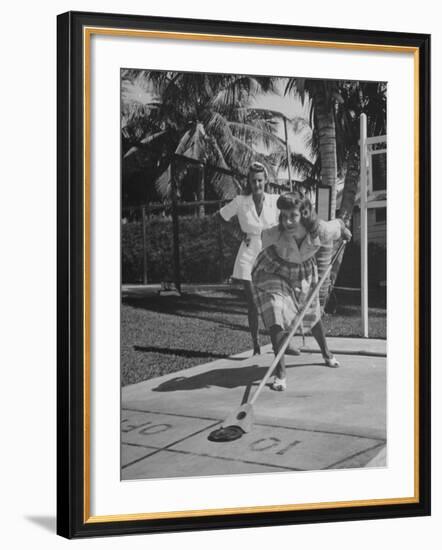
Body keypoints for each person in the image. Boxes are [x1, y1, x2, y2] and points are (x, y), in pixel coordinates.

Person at [252, 193, 352, 391]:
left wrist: (345, 230)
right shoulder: (274, 233)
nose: (287, 221)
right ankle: (280, 372)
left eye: (293, 216)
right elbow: (259, 240)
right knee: (275, 309)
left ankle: (326, 353)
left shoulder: (320, 230)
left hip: (303, 274)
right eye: (283, 215)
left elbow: (338, 225)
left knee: (311, 314)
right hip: (275, 271)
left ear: (304, 214)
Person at [217, 162, 280, 355]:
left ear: (266, 181)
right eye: (253, 181)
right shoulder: (240, 201)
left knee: (272, 301)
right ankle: (255, 344)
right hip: (248, 252)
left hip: (270, 252)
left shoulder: (276, 200)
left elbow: (290, 218)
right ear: (249, 182)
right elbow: (220, 217)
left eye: (260, 180)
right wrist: (237, 234)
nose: (257, 184)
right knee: (253, 301)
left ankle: (277, 342)